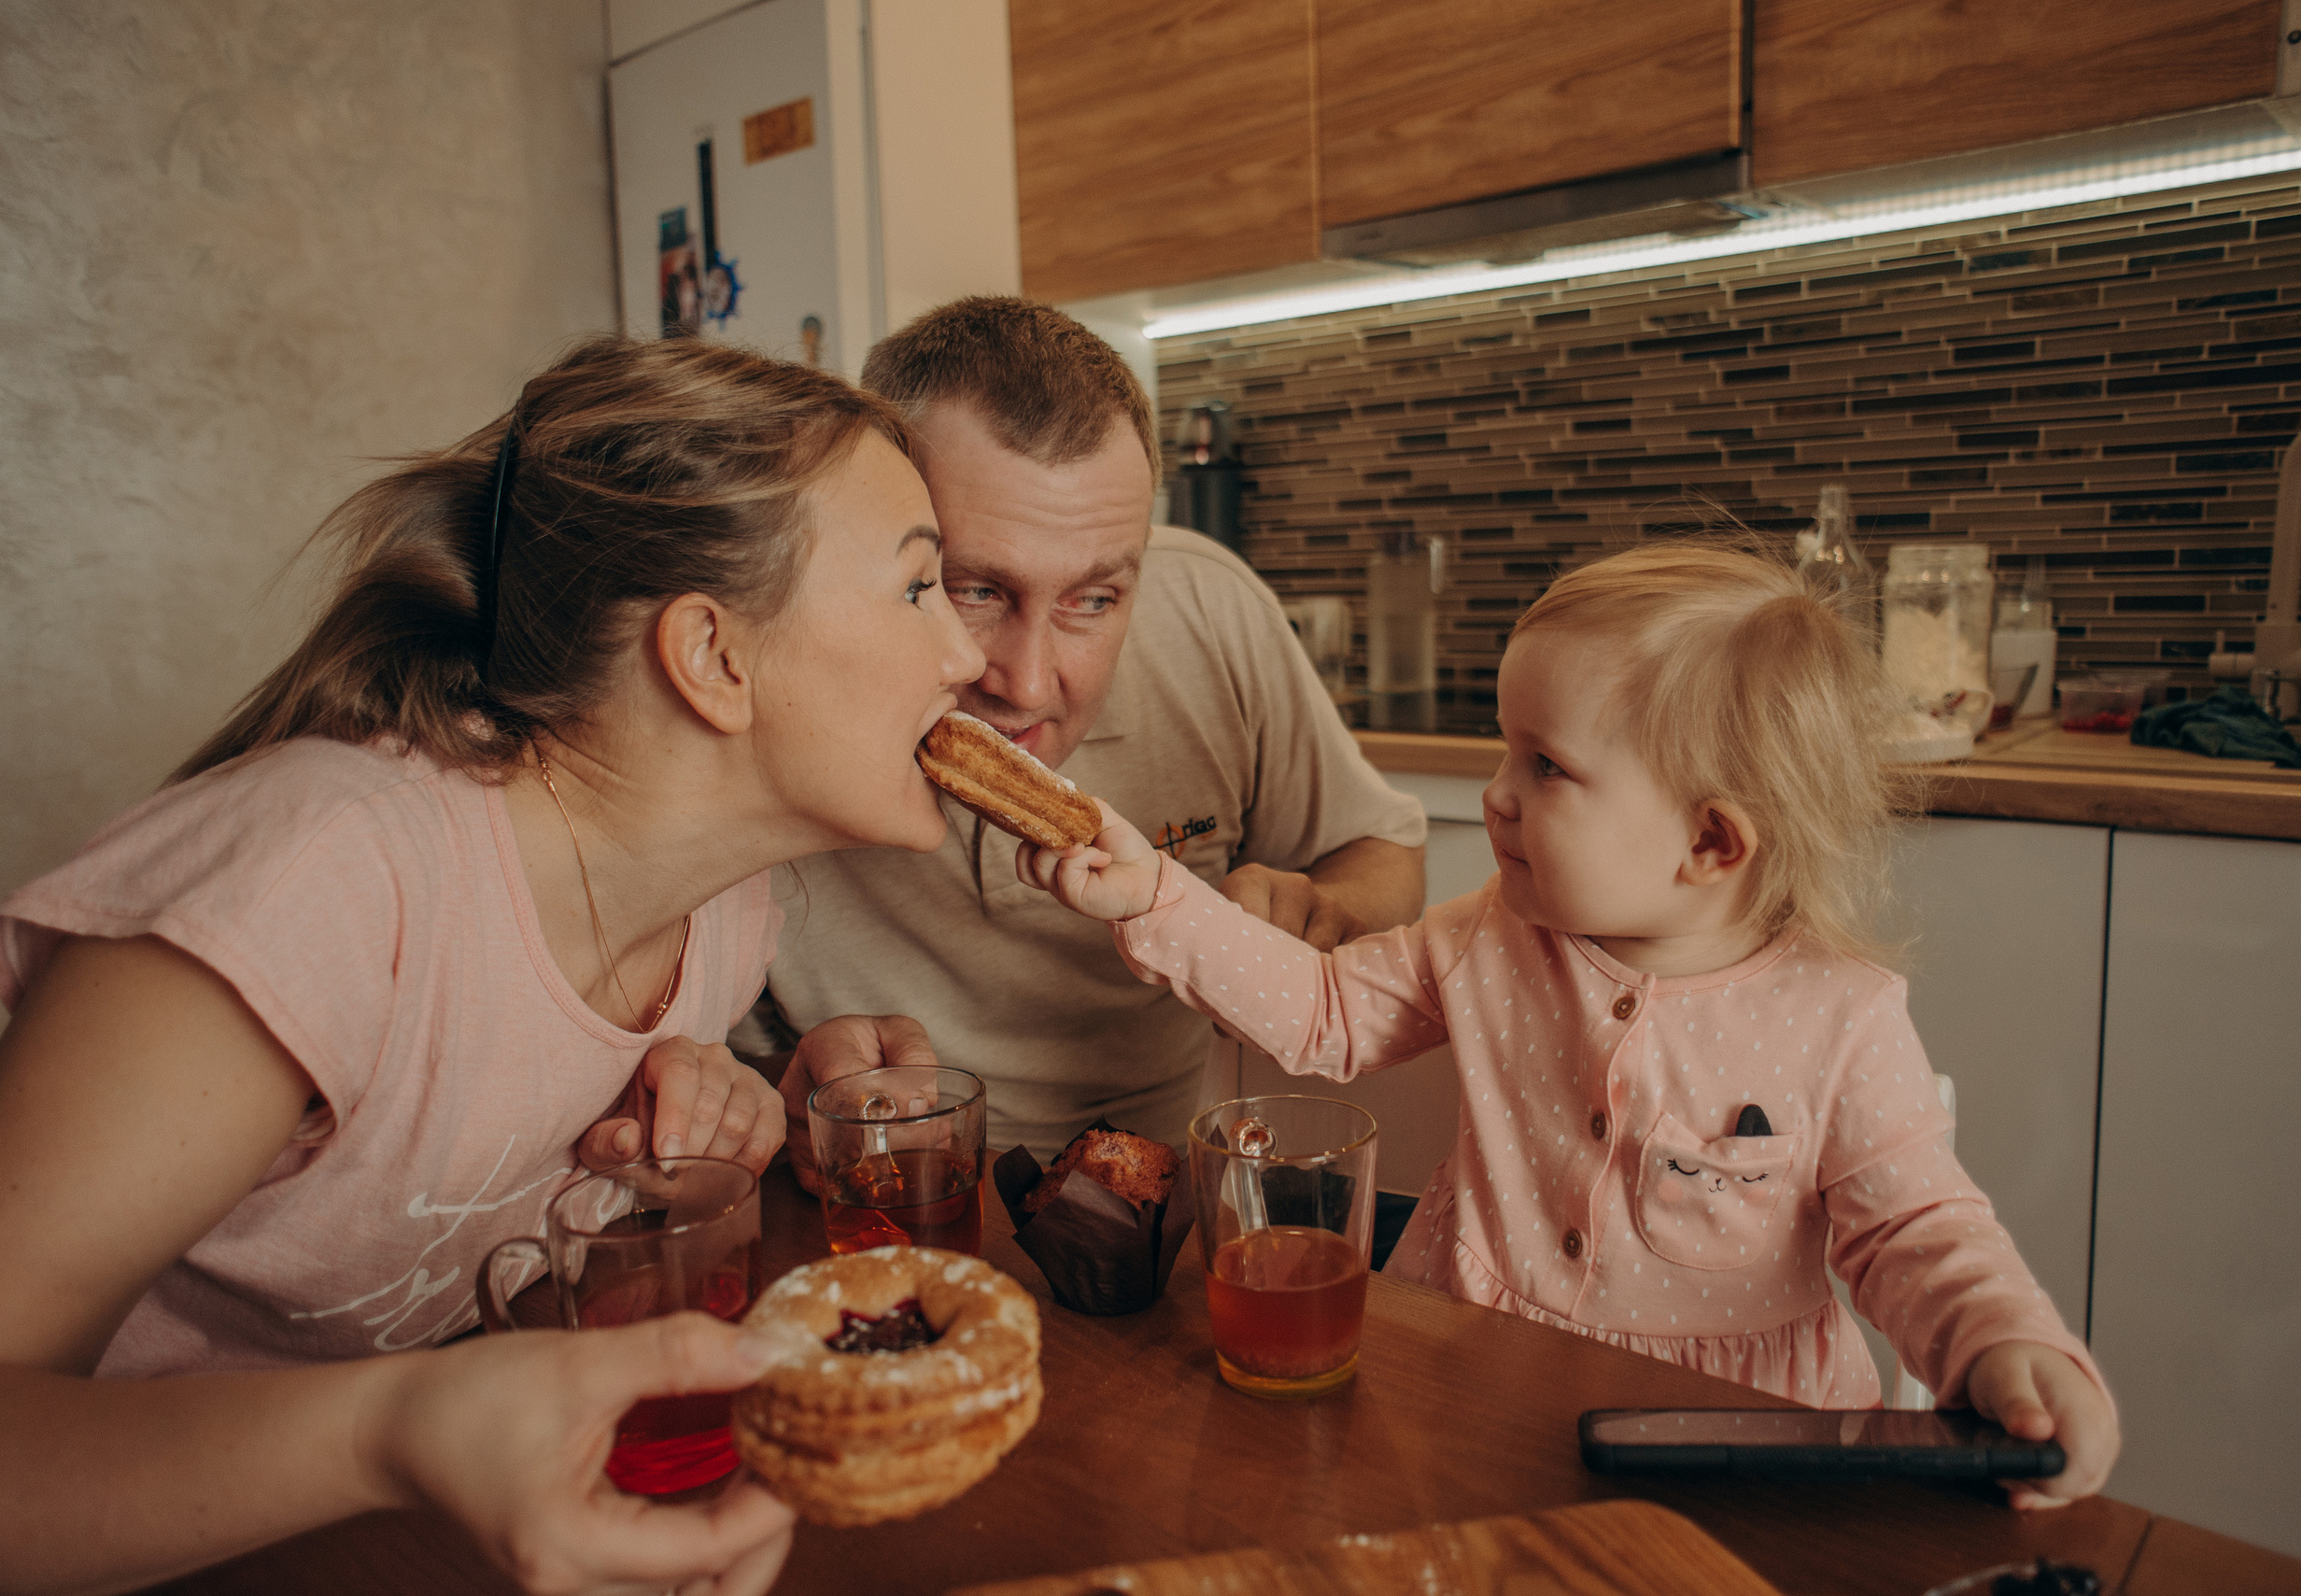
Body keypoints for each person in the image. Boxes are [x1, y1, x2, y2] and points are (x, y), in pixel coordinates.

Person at [0, 335, 985, 1593]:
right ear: (714, 656)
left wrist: (738, 1102)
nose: (969, 659)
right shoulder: (315, 892)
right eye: (918, 587)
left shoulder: (727, 921)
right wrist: (395, 1428)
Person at [1019, 541, 2123, 1508]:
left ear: (1710, 841)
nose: (1497, 793)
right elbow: (1323, 1011)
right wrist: (1157, 895)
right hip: (1459, 1398)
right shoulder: (1487, 933)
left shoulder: (1841, 1016)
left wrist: (2004, 1343)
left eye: (1545, 765)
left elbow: (1916, 1231)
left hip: (1728, 1451)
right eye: (1506, 750)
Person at [766, 297, 1428, 1164]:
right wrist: (784, 1093)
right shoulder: (770, 690)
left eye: (1094, 599)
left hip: (1165, 1194)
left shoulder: (1210, 614)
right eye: (974, 589)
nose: (1028, 683)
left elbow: (1383, 848)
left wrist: (1327, 909)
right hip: (877, 1201)